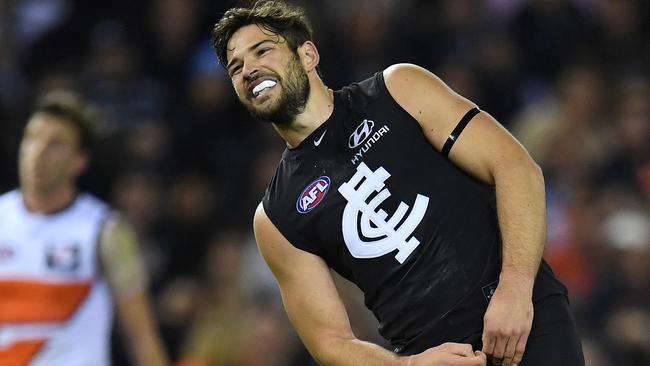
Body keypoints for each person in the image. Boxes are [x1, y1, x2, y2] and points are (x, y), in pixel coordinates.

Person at [212, 1, 584, 366]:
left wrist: (516, 291)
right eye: (236, 67)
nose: (248, 70)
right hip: (429, 353)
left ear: (308, 55)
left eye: (262, 50)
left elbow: (516, 168)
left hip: (520, 316)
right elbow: (330, 341)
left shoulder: (398, 90)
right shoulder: (274, 218)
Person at [0, 92, 170, 366]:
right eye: (32, 138)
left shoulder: (106, 230)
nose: (38, 151)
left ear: (79, 161)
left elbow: (141, 336)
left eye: (56, 144)